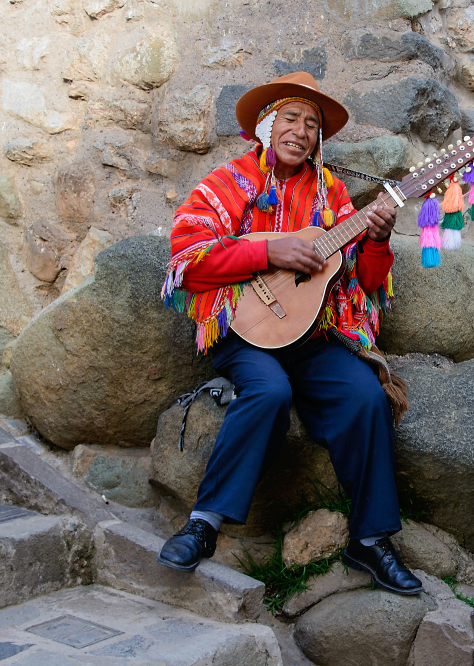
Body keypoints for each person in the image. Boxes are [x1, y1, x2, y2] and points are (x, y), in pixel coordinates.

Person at [156, 72, 422, 596]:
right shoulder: (228, 182)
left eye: (312, 124)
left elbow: (364, 284)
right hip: (245, 330)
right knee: (269, 390)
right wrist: (268, 252)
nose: (301, 132)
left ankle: (370, 540)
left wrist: (378, 240)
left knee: (366, 395)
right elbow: (186, 260)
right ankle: (204, 523)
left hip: (314, 332)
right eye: (291, 118)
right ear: (266, 125)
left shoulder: (333, 193)